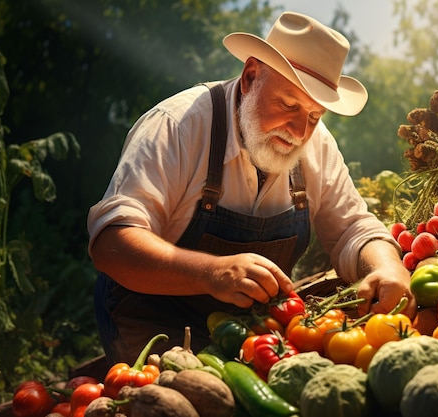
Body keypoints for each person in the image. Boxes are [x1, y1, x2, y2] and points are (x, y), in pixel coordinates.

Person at [88, 11, 416, 364]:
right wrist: (211, 273)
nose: (299, 131)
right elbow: (112, 243)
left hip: (251, 327)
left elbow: (353, 228)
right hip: (152, 320)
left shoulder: (316, 143)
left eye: (313, 115)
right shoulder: (178, 126)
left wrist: (387, 268)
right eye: (288, 104)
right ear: (250, 77)